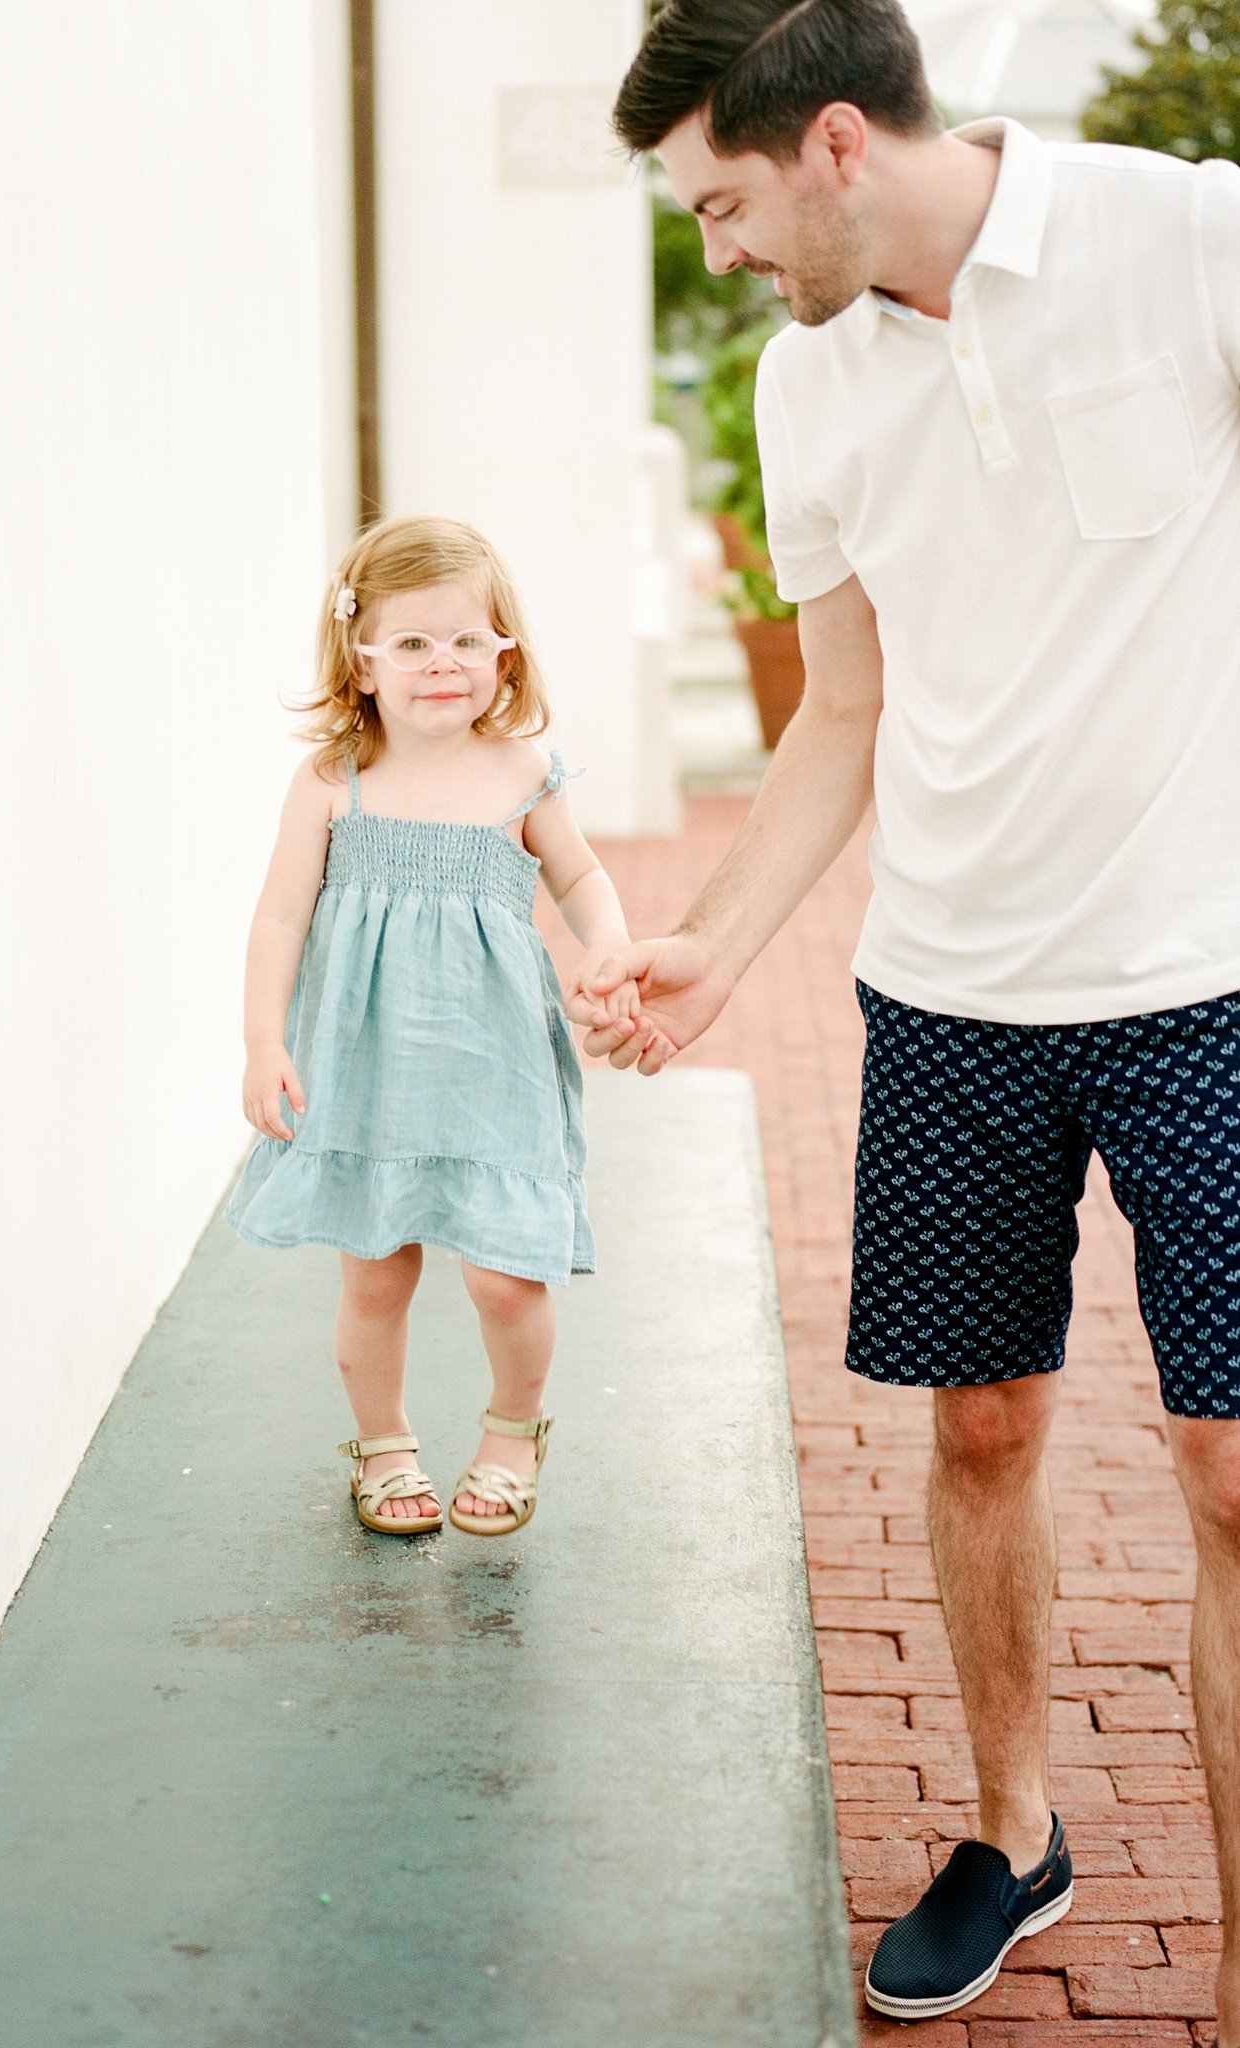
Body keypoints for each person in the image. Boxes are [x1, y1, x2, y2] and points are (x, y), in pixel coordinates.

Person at [574, 0, 1240, 2032]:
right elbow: (843, 712)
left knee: (1229, 1470)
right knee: (982, 1425)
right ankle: (1019, 1826)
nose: (723, 252)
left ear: (838, 143)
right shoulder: (808, 388)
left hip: (1207, 978)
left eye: (724, 205)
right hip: (950, 990)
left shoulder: (1187, 239)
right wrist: (716, 937)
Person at [229, 514, 638, 1539]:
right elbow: (280, 913)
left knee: (505, 1276)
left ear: (506, 653)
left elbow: (580, 874)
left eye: (466, 639)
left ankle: (513, 1426)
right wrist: (263, 1041)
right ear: (361, 661)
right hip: (365, 1068)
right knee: (376, 1267)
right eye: (412, 643)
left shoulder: (520, 771)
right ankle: (383, 1438)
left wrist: (607, 945)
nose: (441, 664)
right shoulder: (334, 782)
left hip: (493, 1064)